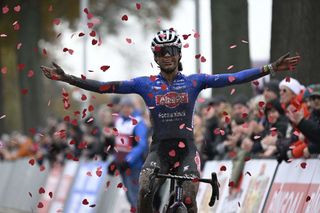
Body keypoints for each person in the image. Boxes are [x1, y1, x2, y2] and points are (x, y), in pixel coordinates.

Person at [40, 28, 300, 212]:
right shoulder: (145, 84)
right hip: (159, 150)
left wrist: (270, 68)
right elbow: (106, 86)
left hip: (187, 150)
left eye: (171, 51)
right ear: (155, 56)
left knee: (188, 198)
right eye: (161, 51)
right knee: (144, 188)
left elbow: (233, 78)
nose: (166, 55)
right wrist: (68, 79)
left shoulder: (194, 81)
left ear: (178, 54)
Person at [107, 96, 149, 210]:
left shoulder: (138, 122)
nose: (126, 110)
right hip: (122, 165)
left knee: (135, 197)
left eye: (129, 107)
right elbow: (118, 144)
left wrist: (128, 159)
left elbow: (141, 144)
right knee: (129, 197)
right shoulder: (119, 121)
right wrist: (114, 161)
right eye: (124, 107)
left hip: (134, 165)